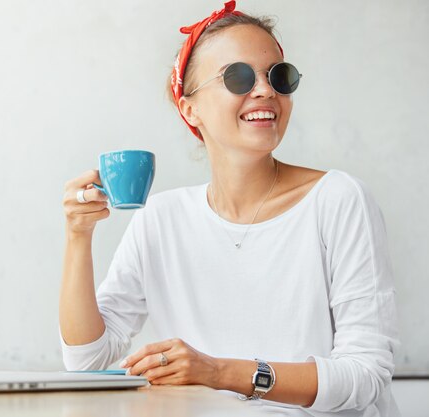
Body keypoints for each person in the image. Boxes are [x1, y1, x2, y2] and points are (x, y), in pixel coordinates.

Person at [59, 1, 400, 415]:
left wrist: (219, 372)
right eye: (237, 77)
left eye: (279, 76)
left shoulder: (339, 200)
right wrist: (78, 236)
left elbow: (366, 376)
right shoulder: (160, 220)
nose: (265, 90)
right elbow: (86, 360)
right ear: (190, 108)